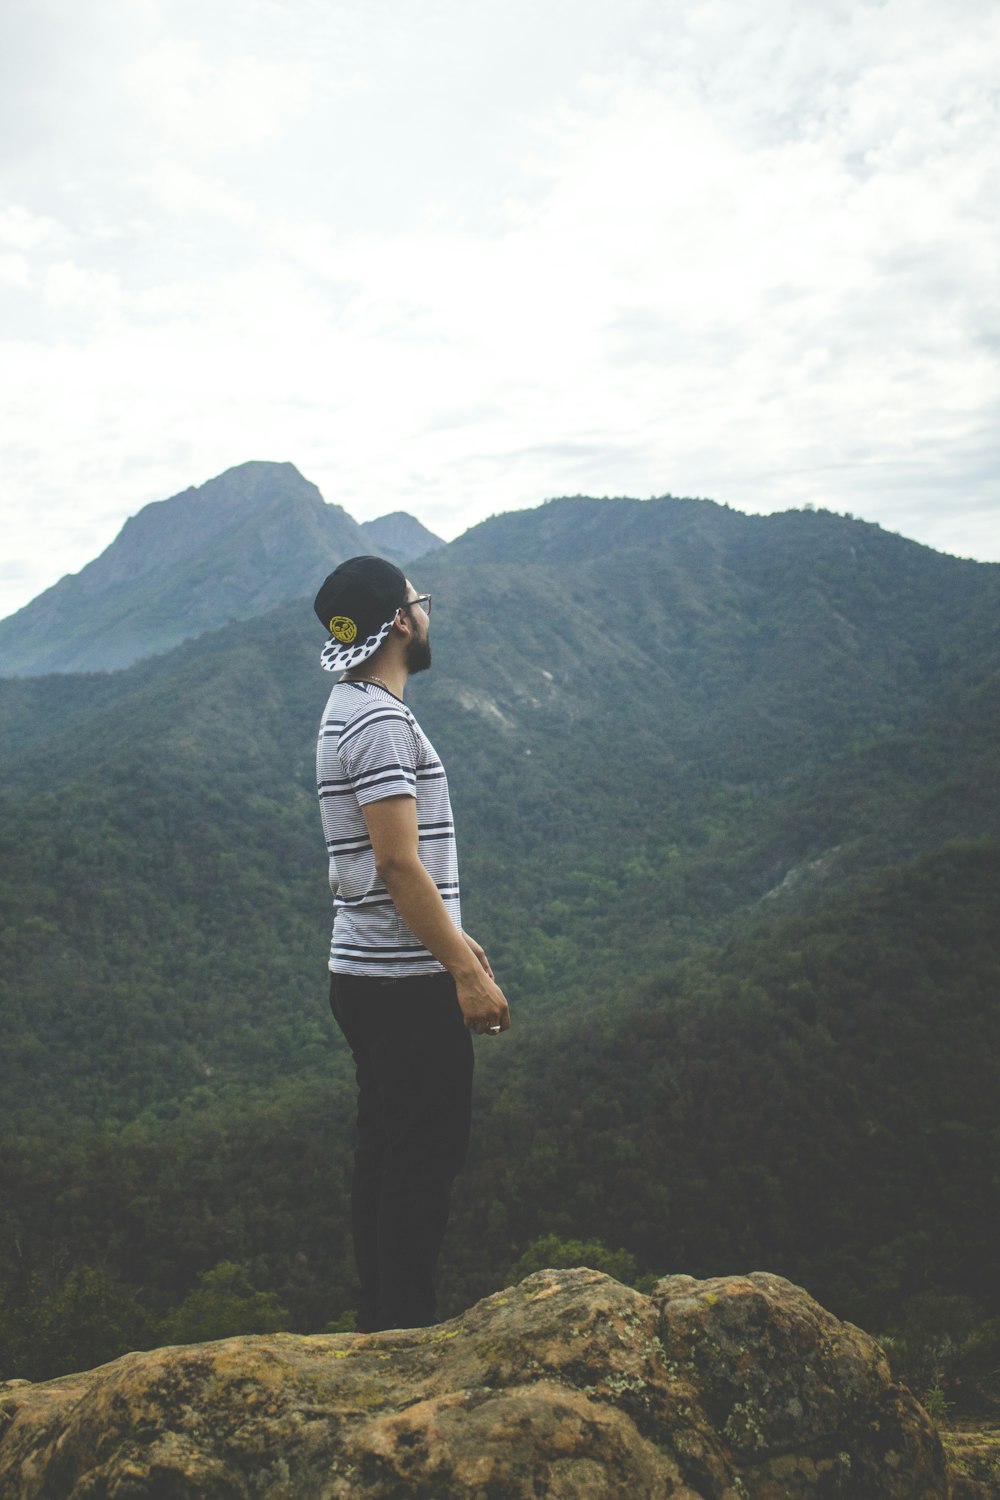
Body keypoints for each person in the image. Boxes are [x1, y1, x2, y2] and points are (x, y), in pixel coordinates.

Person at [314, 555, 511, 1334]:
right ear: (400, 622)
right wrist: (461, 970)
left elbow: (399, 866)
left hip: (366, 971)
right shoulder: (379, 723)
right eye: (418, 602)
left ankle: (382, 1318)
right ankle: (403, 1331)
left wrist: (460, 941)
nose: (426, 613)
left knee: (388, 1150)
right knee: (424, 1161)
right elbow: (398, 864)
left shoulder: (347, 706)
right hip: (402, 981)